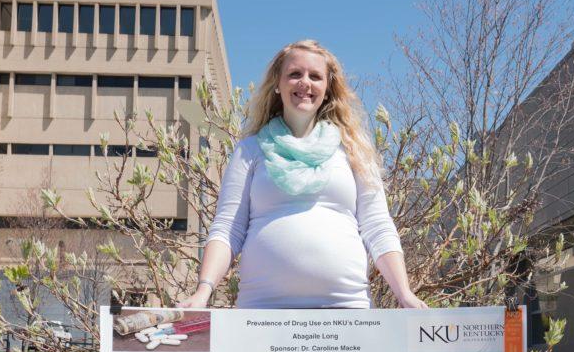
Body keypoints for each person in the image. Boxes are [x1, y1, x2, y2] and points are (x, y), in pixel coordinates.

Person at [179, 40, 427, 310]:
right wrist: (204, 290)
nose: (305, 83)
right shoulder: (249, 150)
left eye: (315, 76)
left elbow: (377, 226)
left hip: (345, 308)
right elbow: (229, 227)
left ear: (328, 88)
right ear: (278, 84)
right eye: (295, 74)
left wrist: (405, 293)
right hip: (262, 309)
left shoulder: (354, 149)